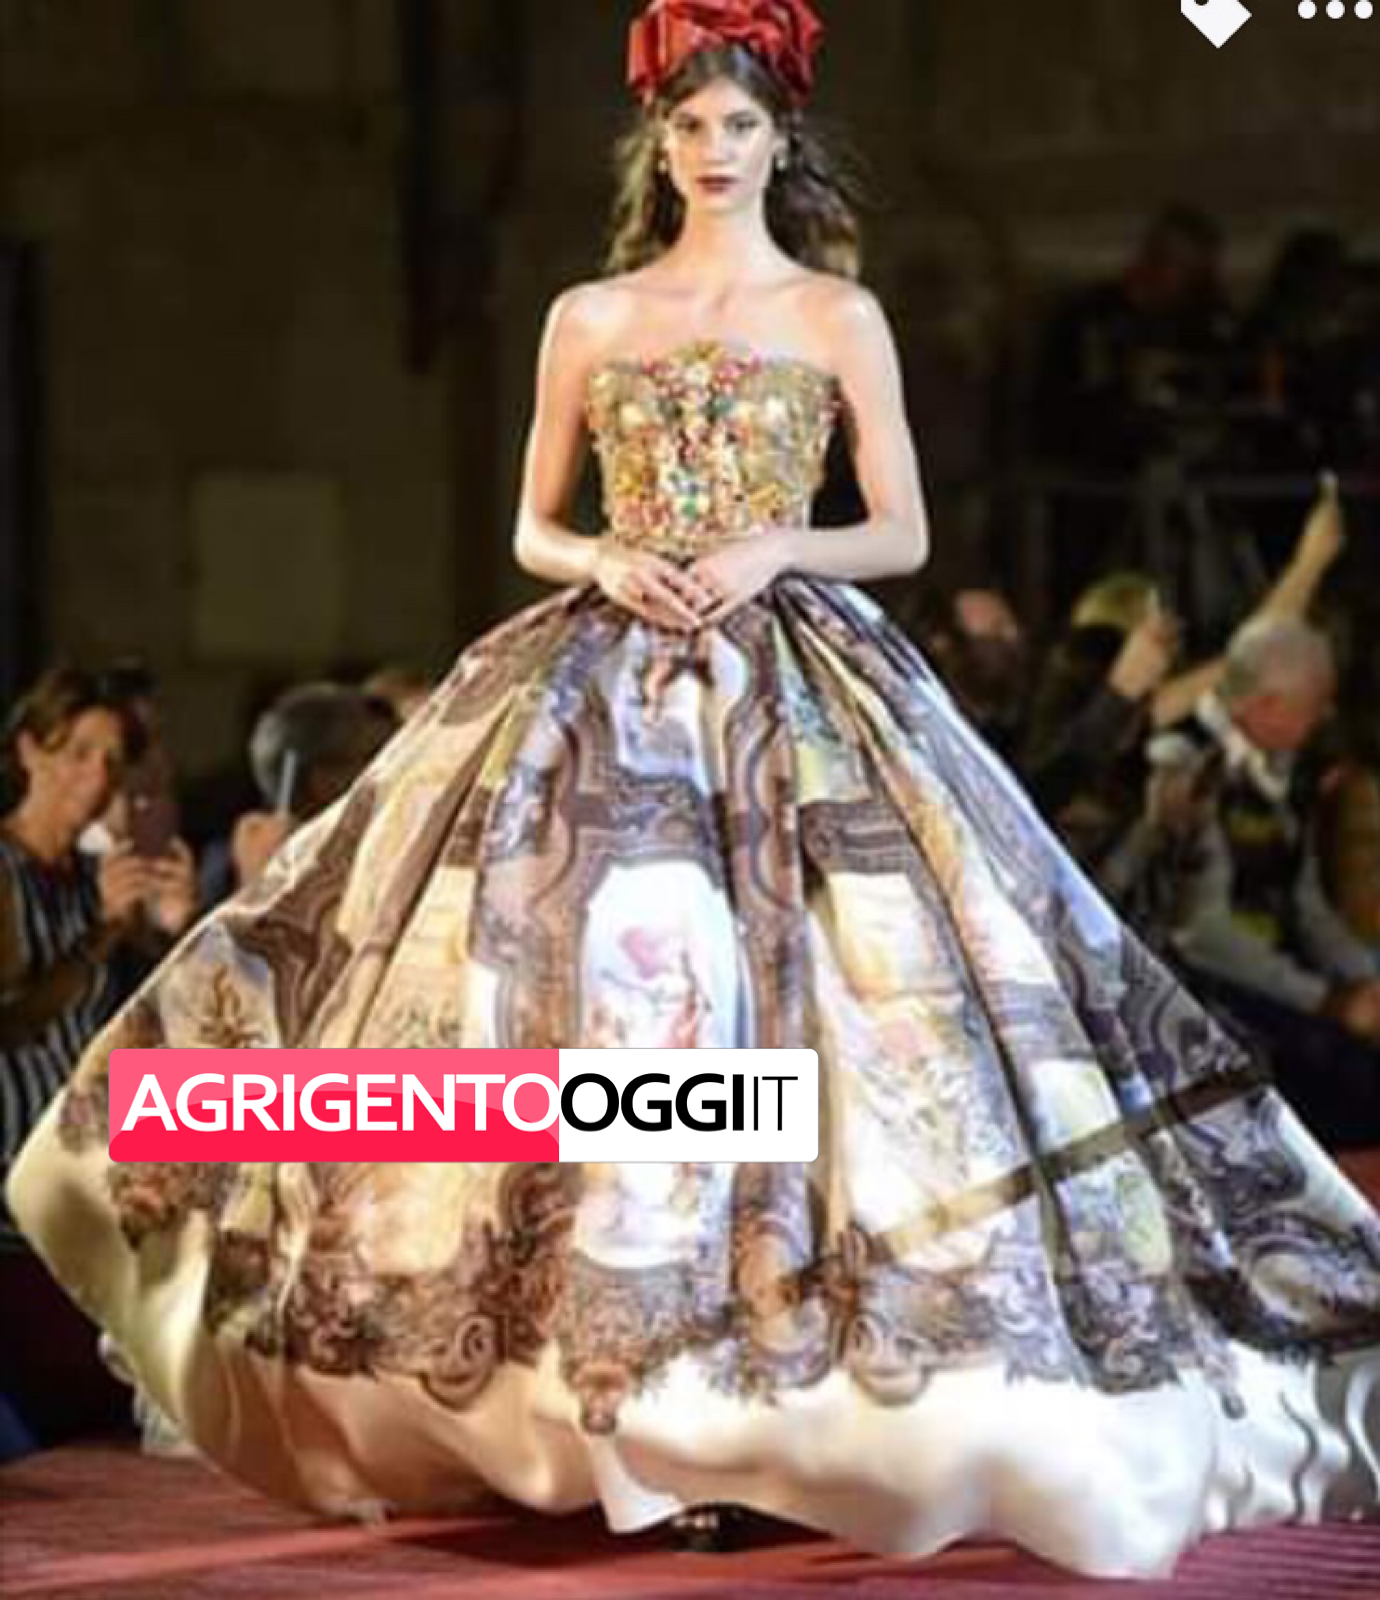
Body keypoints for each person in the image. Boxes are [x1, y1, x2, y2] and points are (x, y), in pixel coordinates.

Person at [8, 0, 1380, 1578]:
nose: (714, 150)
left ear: (781, 138)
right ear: (656, 143)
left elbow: (903, 530)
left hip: (798, 688)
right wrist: (605, 558)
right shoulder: (590, 315)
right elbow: (532, 522)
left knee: (831, 1020)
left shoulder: (836, 314)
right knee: (586, 1014)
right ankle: (626, 1397)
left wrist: (778, 544)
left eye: (738, 125)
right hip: (605, 687)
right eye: (688, 125)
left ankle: (762, 1398)